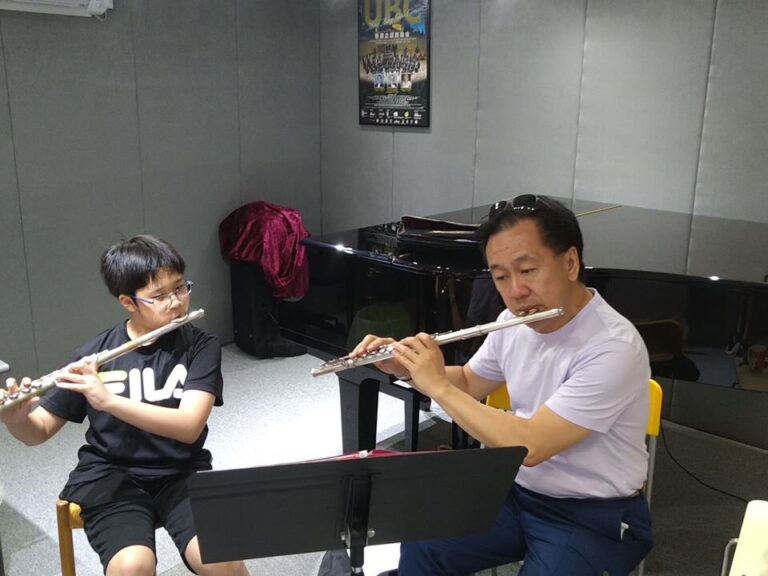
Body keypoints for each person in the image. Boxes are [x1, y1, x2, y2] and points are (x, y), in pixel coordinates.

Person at [351, 195, 654, 575]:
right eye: (500, 276)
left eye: (527, 270)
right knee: (425, 540)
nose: (516, 291)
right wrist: (407, 367)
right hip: (515, 491)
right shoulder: (513, 322)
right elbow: (470, 382)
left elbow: (532, 446)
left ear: (570, 263)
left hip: (592, 512)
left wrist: (438, 387)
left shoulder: (613, 347)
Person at [0, 235, 248, 576]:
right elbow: (38, 431)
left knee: (224, 562)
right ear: (128, 302)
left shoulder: (200, 346)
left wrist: (108, 401)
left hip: (181, 470)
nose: (176, 302)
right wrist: (16, 420)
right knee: (132, 566)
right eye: (159, 296)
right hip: (111, 475)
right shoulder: (94, 354)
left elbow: (189, 426)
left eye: (180, 288)